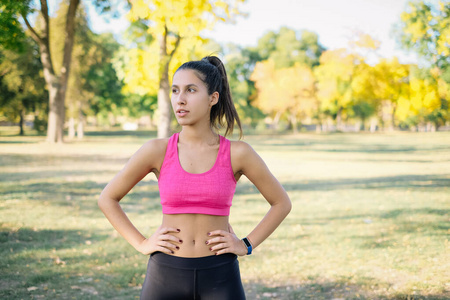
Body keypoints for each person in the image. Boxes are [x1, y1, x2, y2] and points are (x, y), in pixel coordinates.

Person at [98, 56, 292, 300]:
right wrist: (142, 243)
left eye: (191, 90)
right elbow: (108, 198)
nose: (180, 99)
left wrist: (246, 244)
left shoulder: (238, 153)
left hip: (220, 275)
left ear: (213, 98)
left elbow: (281, 203)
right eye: (176, 90)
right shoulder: (156, 150)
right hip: (165, 275)